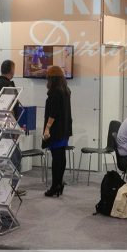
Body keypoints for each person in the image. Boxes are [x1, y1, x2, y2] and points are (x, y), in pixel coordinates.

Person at [0, 59, 25, 196]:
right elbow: (9, 109)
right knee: (13, 157)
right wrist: (13, 128)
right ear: (11, 70)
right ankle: (13, 188)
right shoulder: (8, 86)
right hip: (5, 127)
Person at [42, 65, 72, 197]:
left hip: (56, 130)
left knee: (56, 158)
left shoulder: (55, 93)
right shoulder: (66, 91)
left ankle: (55, 186)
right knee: (61, 156)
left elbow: (53, 113)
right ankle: (59, 183)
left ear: (52, 79)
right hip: (64, 129)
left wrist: (47, 129)